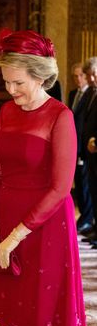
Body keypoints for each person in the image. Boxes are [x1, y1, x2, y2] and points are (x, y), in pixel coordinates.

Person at [0, 29, 94, 326]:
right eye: (7, 82)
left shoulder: (60, 117)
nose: (12, 90)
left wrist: (15, 236)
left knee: (44, 316)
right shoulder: (7, 112)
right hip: (8, 218)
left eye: (19, 83)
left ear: (42, 77)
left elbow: (60, 188)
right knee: (8, 316)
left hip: (46, 230)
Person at [69, 61, 93, 234]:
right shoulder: (72, 94)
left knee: (85, 185)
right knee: (79, 183)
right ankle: (84, 218)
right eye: (75, 76)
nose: (78, 79)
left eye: (81, 75)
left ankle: (87, 219)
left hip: (86, 147)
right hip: (74, 145)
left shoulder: (92, 94)